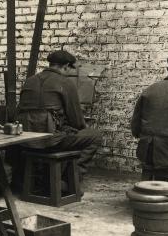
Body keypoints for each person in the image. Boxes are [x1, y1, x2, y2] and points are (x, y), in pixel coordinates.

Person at [15, 50, 102, 178]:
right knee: (95, 136)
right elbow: (77, 121)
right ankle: (70, 180)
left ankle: (45, 176)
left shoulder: (30, 81)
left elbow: (20, 111)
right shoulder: (66, 83)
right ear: (66, 66)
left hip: (26, 141)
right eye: (69, 69)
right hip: (50, 142)